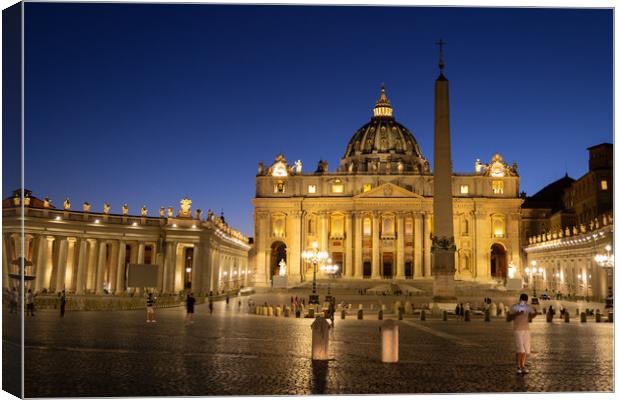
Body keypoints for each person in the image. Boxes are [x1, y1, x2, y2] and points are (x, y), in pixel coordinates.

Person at [508, 293, 538, 374]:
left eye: (525, 301)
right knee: (521, 350)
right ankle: (519, 367)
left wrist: (535, 313)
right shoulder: (514, 307)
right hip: (517, 330)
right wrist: (516, 314)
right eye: (522, 300)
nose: (523, 302)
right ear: (520, 299)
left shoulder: (528, 307)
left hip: (526, 330)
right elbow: (508, 318)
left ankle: (523, 366)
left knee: (527, 351)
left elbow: (530, 318)